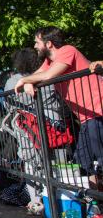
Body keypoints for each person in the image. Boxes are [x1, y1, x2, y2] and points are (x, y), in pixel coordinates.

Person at [15, 27, 103, 190]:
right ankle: (97, 206)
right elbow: (39, 74)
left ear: (48, 44)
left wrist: (27, 80)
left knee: (99, 161)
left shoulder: (67, 50)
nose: (34, 46)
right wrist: (28, 81)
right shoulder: (49, 61)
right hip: (86, 117)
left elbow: (49, 75)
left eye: (37, 42)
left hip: (97, 111)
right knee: (83, 161)